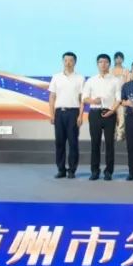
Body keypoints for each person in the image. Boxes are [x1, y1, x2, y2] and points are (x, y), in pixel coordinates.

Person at [82, 53, 122, 181]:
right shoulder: (91, 80)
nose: (103, 64)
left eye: (106, 62)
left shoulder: (116, 80)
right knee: (95, 143)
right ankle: (95, 171)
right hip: (95, 113)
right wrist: (93, 101)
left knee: (110, 144)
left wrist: (112, 111)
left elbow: (118, 99)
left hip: (110, 113)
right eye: (100, 62)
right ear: (97, 64)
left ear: (109, 64)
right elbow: (84, 98)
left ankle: (108, 172)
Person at [48, 51, 84, 179]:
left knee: (73, 142)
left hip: (73, 113)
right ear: (63, 61)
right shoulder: (56, 77)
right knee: (59, 142)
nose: (68, 63)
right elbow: (52, 97)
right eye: (66, 60)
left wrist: (80, 115)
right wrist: (52, 114)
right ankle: (61, 169)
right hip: (59, 113)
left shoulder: (80, 78)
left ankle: (72, 170)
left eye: (71, 60)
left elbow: (82, 99)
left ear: (75, 62)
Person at [112, 51, 129, 142]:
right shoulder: (110, 70)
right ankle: (113, 134)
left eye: (120, 58)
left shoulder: (126, 70)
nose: (119, 59)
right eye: (117, 58)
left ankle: (120, 134)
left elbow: (127, 84)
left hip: (122, 97)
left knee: (122, 116)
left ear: (123, 59)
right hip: (112, 97)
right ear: (114, 59)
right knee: (112, 116)